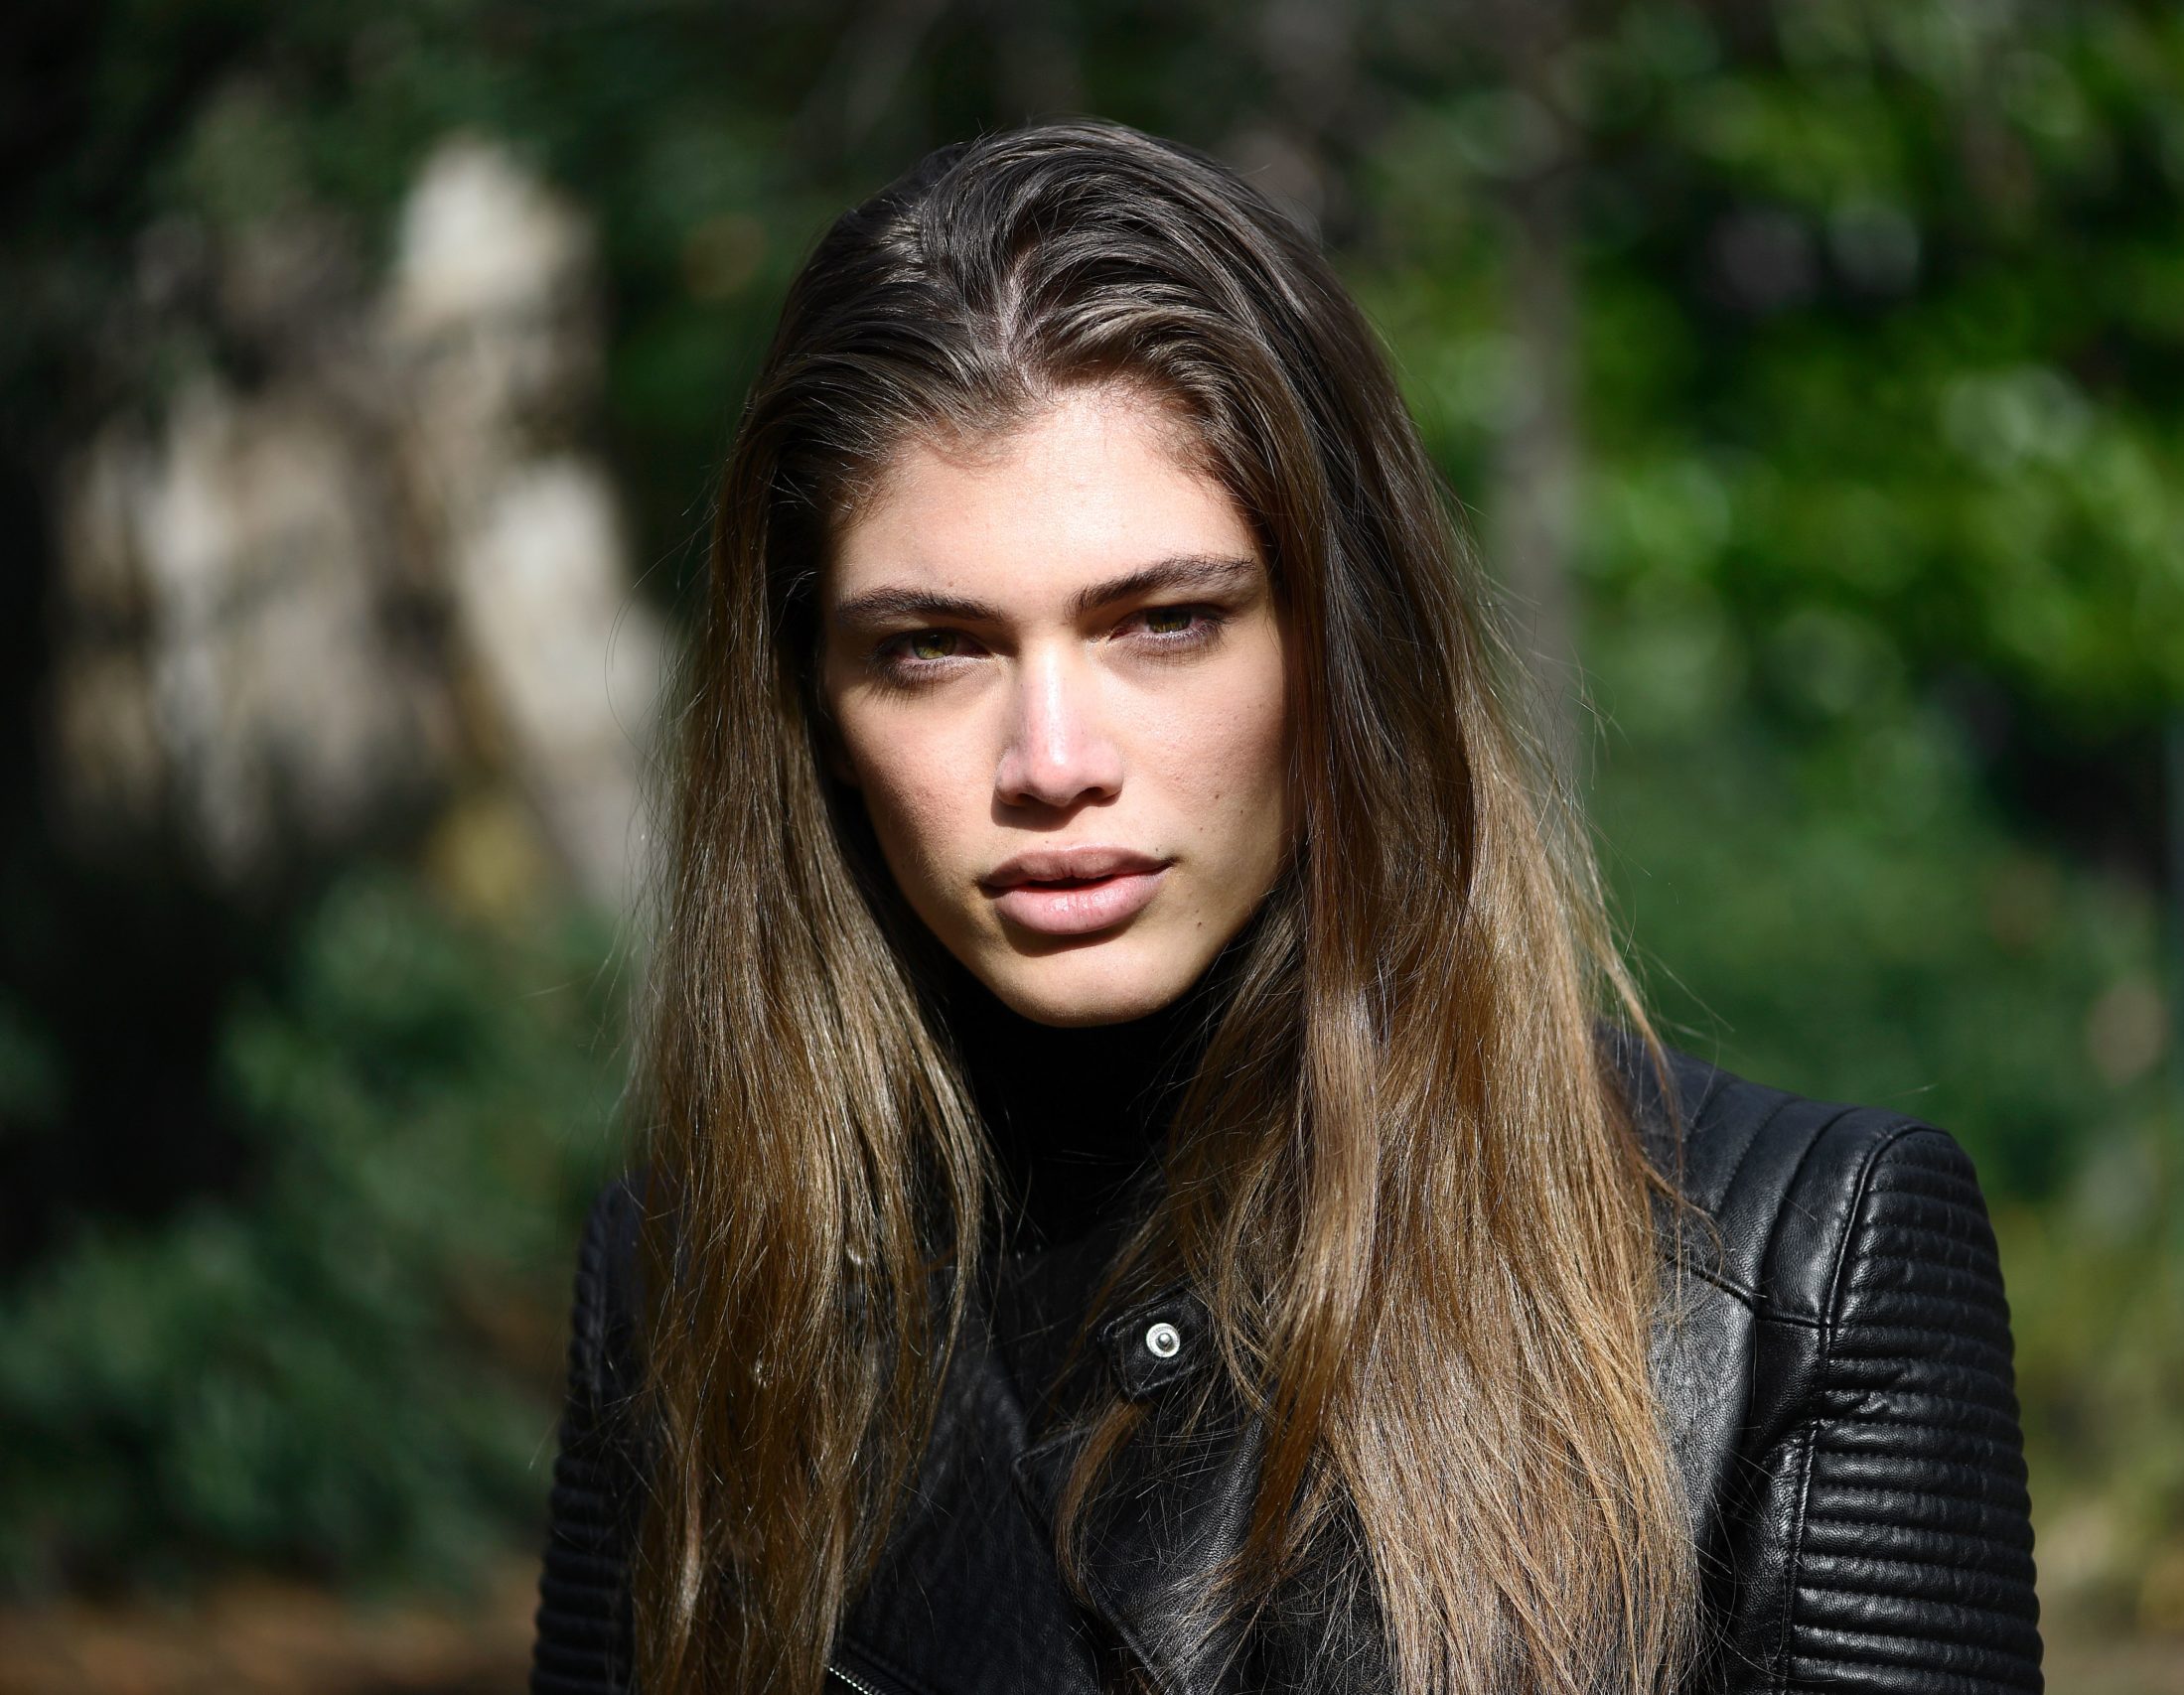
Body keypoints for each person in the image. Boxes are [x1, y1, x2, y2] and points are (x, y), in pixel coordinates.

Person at [529, 117, 2043, 1695]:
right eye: (934, 647)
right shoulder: (690, 1286)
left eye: (1165, 622)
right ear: (816, 713)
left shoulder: (1793, 1275)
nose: (1053, 762)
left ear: (1341, 648)